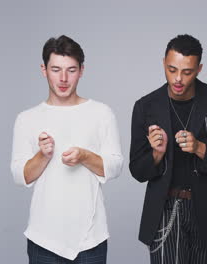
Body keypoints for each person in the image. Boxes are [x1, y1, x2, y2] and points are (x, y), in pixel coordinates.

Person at [129, 34, 207, 264]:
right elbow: (137, 172)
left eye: (187, 72)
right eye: (172, 69)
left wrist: (201, 148)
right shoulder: (145, 106)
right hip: (163, 208)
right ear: (163, 63)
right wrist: (157, 153)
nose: (178, 78)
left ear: (199, 68)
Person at [10, 35, 123, 263]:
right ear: (44, 70)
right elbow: (19, 175)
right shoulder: (27, 119)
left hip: (91, 238)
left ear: (82, 70)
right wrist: (43, 155)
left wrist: (84, 155)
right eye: (56, 69)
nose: (63, 78)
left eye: (71, 70)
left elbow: (115, 167)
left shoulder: (101, 113)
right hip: (44, 238)